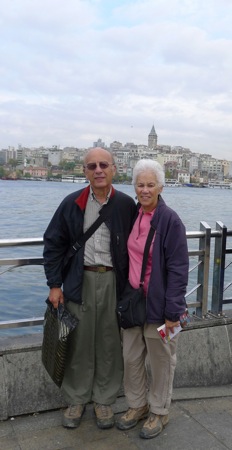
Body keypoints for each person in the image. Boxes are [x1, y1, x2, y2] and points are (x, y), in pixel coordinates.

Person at [43, 147, 136, 430]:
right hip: (78, 280)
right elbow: (53, 245)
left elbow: (139, 243)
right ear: (84, 171)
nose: (98, 170)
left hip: (112, 281)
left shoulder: (125, 205)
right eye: (92, 166)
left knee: (109, 341)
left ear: (114, 169)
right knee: (79, 342)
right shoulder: (71, 203)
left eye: (103, 165)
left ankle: (105, 400)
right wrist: (55, 285)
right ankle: (76, 398)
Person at [116, 159, 189, 440]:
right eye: (140, 184)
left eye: (150, 184)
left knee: (161, 360)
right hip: (134, 302)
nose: (145, 190)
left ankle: (159, 410)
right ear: (134, 187)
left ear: (160, 186)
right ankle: (138, 405)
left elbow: (178, 269)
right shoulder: (134, 214)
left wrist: (173, 311)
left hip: (159, 306)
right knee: (131, 357)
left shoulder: (169, 220)